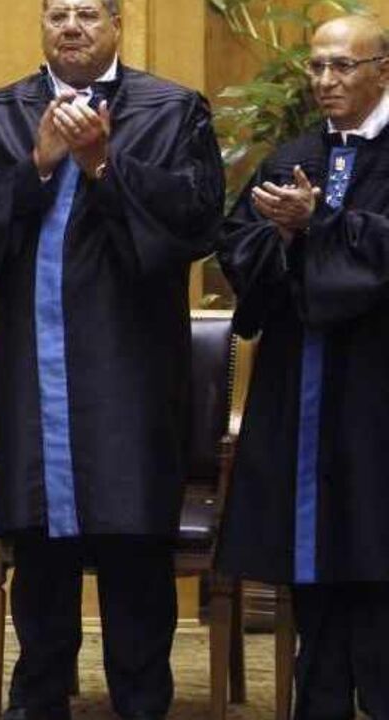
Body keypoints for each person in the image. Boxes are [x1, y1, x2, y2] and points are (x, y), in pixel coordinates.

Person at [0, 1, 224, 718]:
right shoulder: (0, 111)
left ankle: (140, 700)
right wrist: (37, 162)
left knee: (133, 551)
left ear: (117, 24)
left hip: (132, 374)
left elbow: (196, 215)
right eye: (57, 12)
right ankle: (38, 699)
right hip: (37, 375)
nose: (71, 26)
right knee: (40, 549)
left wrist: (103, 165)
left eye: (87, 13)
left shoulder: (173, 109)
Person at [216, 15, 389, 719]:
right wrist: (285, 235)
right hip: (304, 389)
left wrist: (319, 226)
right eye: (316, 67)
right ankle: (316, 702)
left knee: (377, 556)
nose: (325, 81)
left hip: (377, 392)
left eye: (342, 66)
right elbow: (238, 246)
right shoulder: (294, 154)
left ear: (383, 68)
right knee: (313, 559)